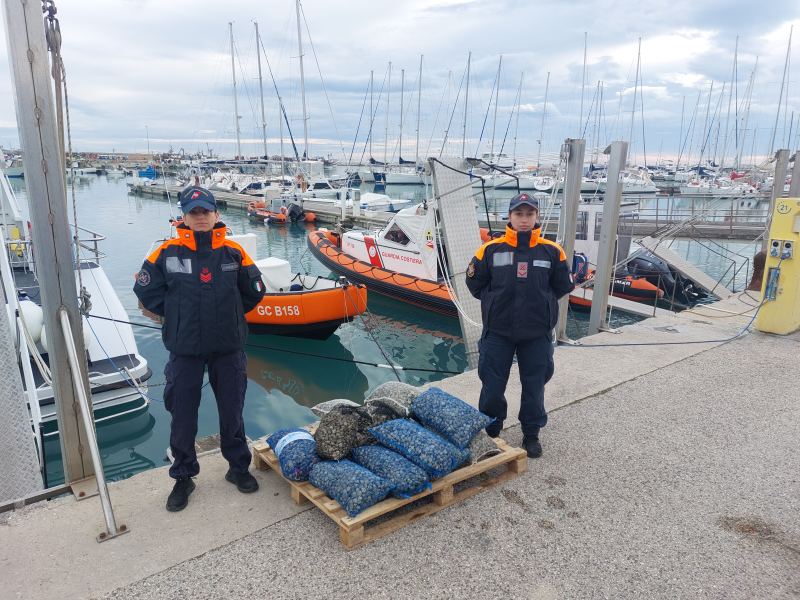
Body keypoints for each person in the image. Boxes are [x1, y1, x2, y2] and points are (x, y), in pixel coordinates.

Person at [134, 186, 266, 511]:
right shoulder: (165, 253)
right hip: (184, 351)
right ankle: (183, 477)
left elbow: (254, 292)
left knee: (232, 411)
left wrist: (231, 316)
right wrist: (175, 313)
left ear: (216, 214)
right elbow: (146, 291)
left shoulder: (234, 252)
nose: (201, 216)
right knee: (182, 416)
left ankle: (238, 469)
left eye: (206, 211)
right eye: (194, 212)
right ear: (185, 217)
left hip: (228, 350)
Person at [465, 193, 575, 458]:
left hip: (536, 333)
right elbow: (474, 284)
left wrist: (542, 304)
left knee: (535, 384)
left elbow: (562, 286)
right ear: (510, 217)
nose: (524, 219)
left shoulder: (552, 251)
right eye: (519, 214)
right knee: (492, 385)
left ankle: (531, 432)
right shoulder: (490, 249)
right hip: (498, 332)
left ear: (536, 217)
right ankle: (491, 430)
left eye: (529, 214)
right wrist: (495, 303)